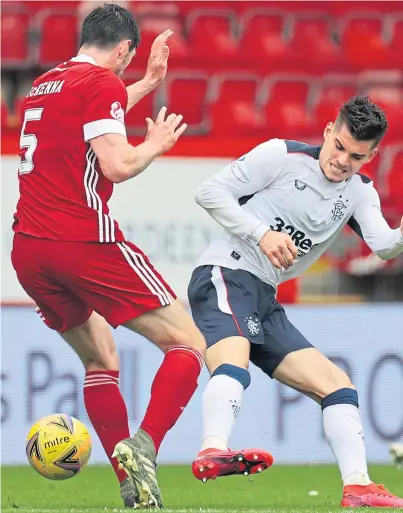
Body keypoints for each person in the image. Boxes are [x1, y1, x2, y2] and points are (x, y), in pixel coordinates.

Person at [11, 4, 205, 509]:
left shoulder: (48, 82)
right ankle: (143, 447)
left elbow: (98, 107)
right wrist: (155, 144)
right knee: (187, 344)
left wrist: (145, 83)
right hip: (82, 241)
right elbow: (116, 165)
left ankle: (132, 485)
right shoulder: (100, 86)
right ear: (123, 49)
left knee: (102, 359)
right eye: (128, 62)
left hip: (29, 250)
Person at [187, 96, 403, 508]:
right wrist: (261, 233)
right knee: (233, 356)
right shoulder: (280, 156)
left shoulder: (359, 193)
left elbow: (384, 246)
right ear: (327, 132)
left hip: (264, 294)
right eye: (338, 146)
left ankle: (358, 486)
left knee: (338, 387)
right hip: (226, 271)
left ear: (371, 156)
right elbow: (209, 191)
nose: (342, 160)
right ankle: (212, 448)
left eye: (356, 156)